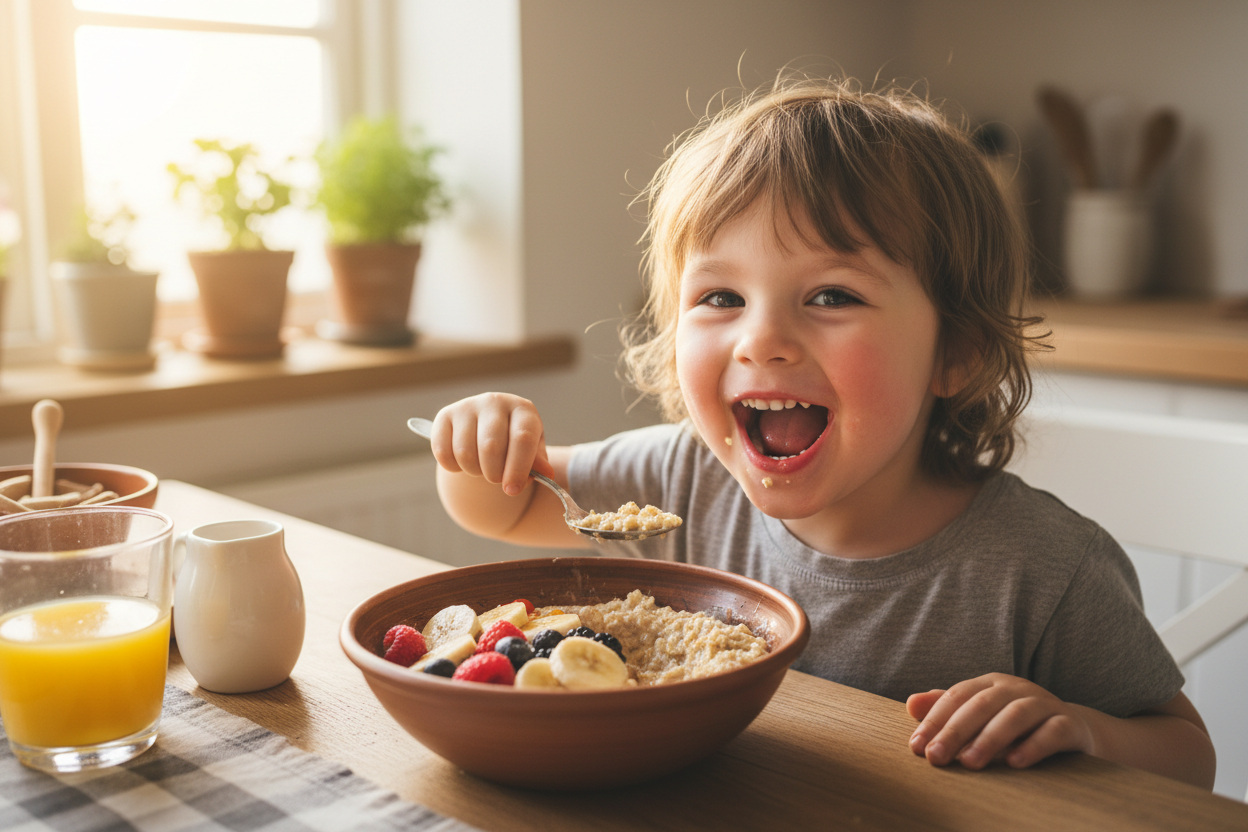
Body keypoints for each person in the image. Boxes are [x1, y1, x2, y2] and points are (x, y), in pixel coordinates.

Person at [428, 77, 1215, 788]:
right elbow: (505, 507)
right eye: (721, 297)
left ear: (957, 352)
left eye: (833, 296)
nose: (761, 340)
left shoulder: (1042, 569)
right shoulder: (682, 479)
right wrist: (477, 444)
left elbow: (1188, 757)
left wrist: (1083, 730)